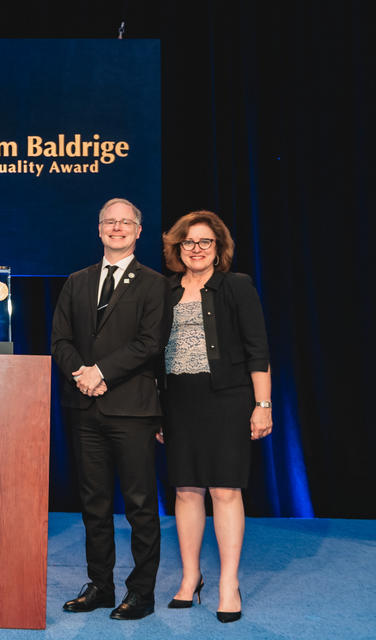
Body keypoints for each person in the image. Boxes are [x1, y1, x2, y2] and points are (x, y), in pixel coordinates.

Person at [51, 197, 168, 620]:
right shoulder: (76, 281)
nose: (116, 228)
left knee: (139, 505)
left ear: (138, 231)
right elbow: (60, 341)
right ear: (99, 229)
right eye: (109, 221)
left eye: (125, 222)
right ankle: (100, 585)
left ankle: (142, 592)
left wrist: (100, 371)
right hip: (84, 409)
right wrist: (81, 374)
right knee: (94, 505)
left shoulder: (155, 284)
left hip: (132, 410)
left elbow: (150, 344)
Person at [157, 210, 271, 623]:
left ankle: (228, 583)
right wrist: (156, 412)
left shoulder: (236, 287)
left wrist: (262, 405)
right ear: (178, 248)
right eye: (189, 242)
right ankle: (190, 579)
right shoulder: (165, 290)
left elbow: (257, 350)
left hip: (226, 398)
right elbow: (153, 355)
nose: (197, 249)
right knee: (186, 491)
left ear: (219, 248)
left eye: (206, 242)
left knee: (225, 491)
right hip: (178, 400)